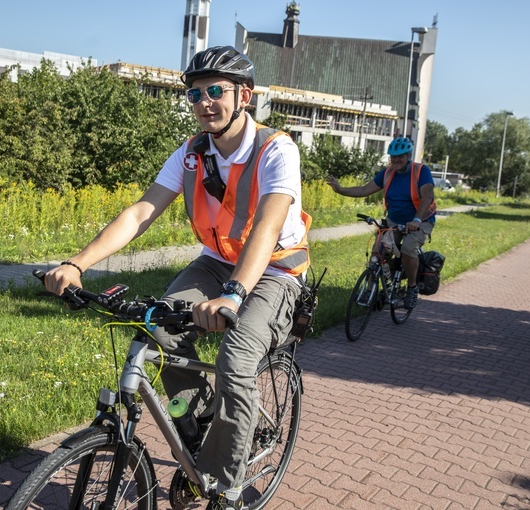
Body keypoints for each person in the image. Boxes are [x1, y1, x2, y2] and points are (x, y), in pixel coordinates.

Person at [44, 45, 311, 510]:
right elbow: (140, 213)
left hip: (275, 268)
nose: (203, 101)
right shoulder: (191, 154)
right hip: (216, 262)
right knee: (158, 325)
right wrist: (76, 263)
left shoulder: (276, 149)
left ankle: (225, 485)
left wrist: (232, 295)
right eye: (194, 94)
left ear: (243, 95)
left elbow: (268, 227)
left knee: (238, 356)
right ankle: (209, 422)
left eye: (215, 91)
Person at [325, 136, 435, 309]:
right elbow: (363, 190)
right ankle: (371, 290)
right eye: (393, 157)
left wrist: (416, 220)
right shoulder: (388, 172)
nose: (396, 160)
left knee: (407, 249)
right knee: (377, 253)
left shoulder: (421, 171)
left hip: (420, 220)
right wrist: (340, 189)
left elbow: (427, 197)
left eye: (400, 156)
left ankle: (412, 288)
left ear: (408, 156)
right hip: (394, 220)